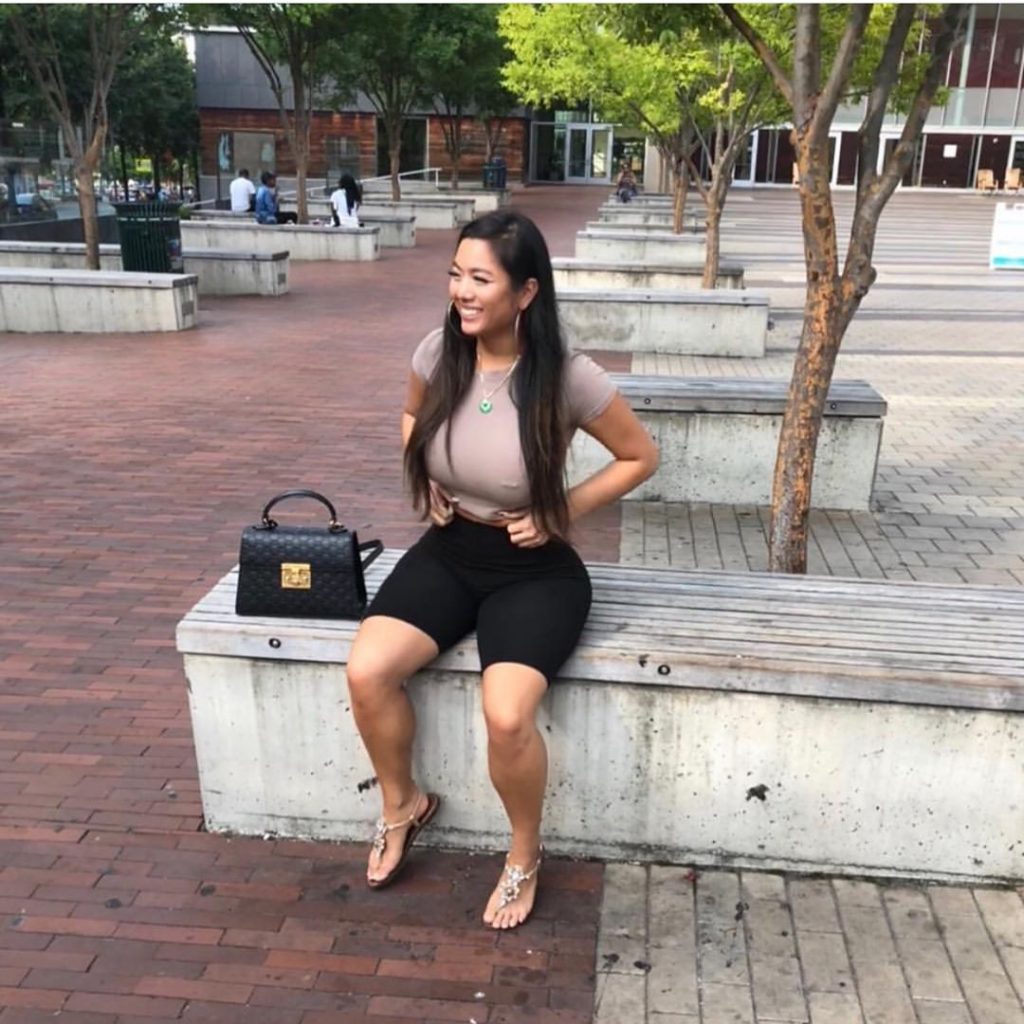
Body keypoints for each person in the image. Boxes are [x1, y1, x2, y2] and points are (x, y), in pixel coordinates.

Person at [345, 210, 659, 930]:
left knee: (507, 713)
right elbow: (410, 417)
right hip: (450, 552)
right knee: (367, 671)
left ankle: (523, 852)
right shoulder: (439, 353)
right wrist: (424, 474)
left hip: (534, 571)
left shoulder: (568, 377)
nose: (461, 290)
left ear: (526, 292)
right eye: (456, 274)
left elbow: (641, 457)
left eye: (480, 279)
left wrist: (561, 509)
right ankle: (403, 803)